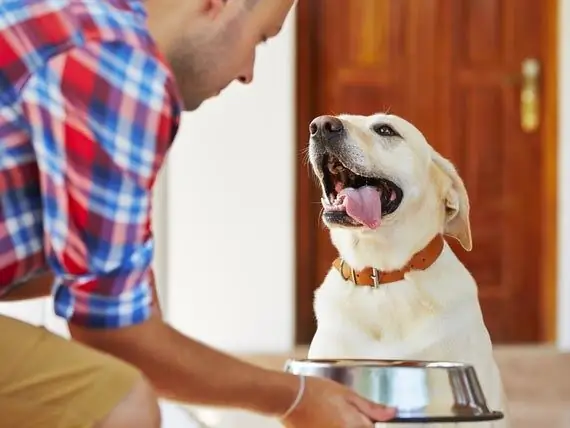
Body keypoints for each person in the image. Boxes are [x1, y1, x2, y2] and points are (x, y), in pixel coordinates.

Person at [0, 0, 396, 427]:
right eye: (260, 38)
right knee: (120, 403)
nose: (248, 72)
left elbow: (92, 279)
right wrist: (294, 397)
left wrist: (129, 294)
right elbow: (110, 333)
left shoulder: (76, 16)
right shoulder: (119, 64)